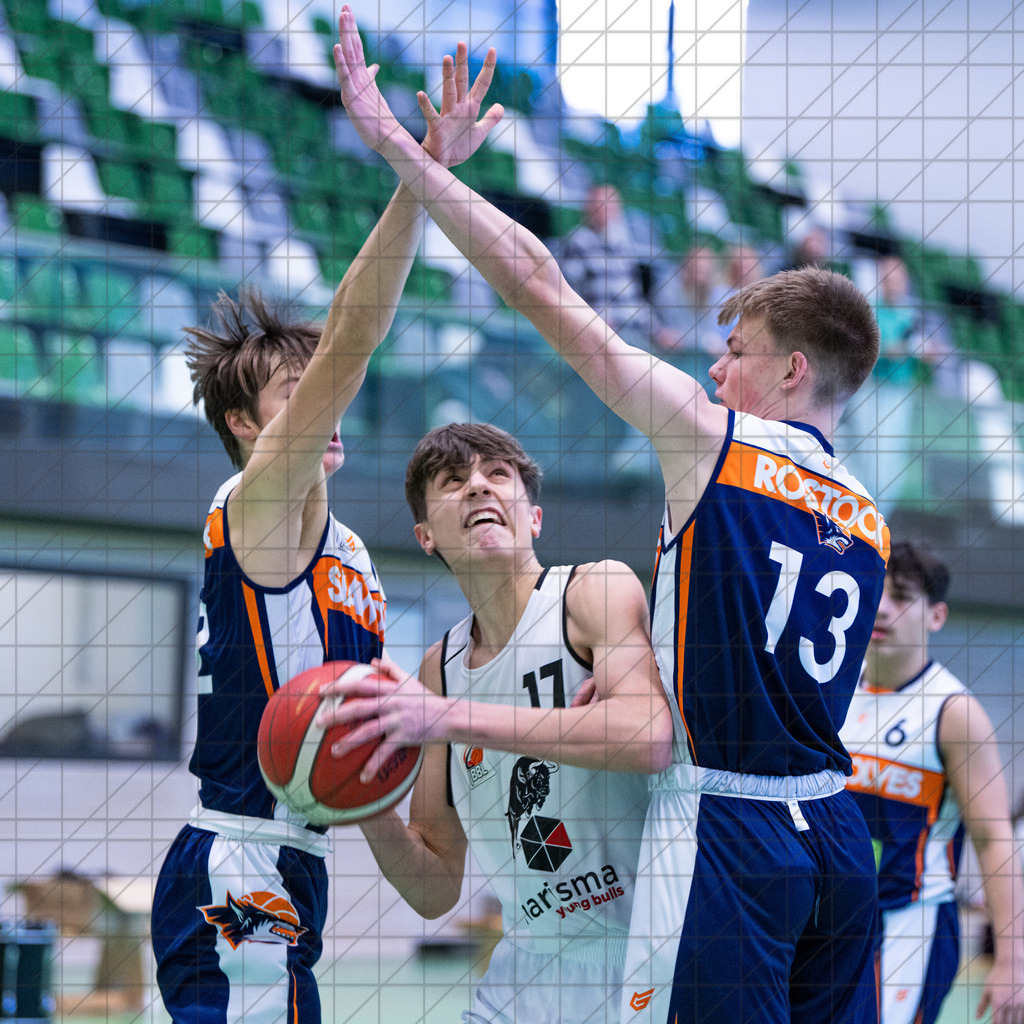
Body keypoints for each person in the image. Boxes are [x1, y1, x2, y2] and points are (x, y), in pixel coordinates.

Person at [332, 10, 889, 1021]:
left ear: (793, 370)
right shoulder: (869, 517)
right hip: (835, 831)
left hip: (726, 820)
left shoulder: (715, 440)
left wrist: (400, 152)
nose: (715, 370)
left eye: (739, 354)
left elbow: (542, 285)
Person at [149, 39, 503, 1024]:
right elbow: (354, 335)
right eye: (299, 394)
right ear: (248, 428)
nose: (329, 405)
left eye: (326, 390)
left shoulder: (350, 558)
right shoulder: (256, 510)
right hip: (239, 856)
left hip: (293, 861)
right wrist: (417, 168)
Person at [319, 422, 672, 1024]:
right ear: (426, 535)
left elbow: (647, 735)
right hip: (522, 969)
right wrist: (360, 799)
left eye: (498, 475)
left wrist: (448, 719)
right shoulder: (441, 668)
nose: (479, 486)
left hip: (640, 958)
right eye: (453, 482)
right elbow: (435, 889)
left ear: (533, 518)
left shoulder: (594, 590)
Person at [841, 541, 1024, 1024]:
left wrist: (1012, 961)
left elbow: (993, 838)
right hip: (828, 922)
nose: (881, 607)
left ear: (937, 616)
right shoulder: (831, 689)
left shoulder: (954, 712)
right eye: (875, 592)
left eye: (901, 595)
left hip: (910, 924)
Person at [558, 183, 657, 346]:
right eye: (600, 204)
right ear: (588, 209)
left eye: (611, 206)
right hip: (600, 334)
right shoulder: (578, 243)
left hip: (634, 331)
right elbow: (569, 293)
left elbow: (636, 298)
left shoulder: (624, 246)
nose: (605, 210)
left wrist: (657, 330)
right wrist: (595, 321)